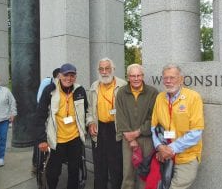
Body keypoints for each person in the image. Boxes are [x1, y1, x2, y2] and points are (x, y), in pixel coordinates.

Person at [151, 64, 204, 189]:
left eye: (172, 78)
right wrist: (159, 147)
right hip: (164, 156)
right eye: (165, 78)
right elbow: (153, 127)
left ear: (181, 79)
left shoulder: (193, 97)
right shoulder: (160, 97)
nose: (168, 81)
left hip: (186, 157)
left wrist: (170, 149)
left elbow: (196, 132)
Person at [36, 63, 88, 189]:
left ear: (75, 77)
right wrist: (42, 139)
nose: (68, 78)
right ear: (60, 75)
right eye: (66, 75)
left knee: (74, 170)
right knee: (53, 172)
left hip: (75, 138)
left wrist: (88, 126)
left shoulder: (80, 90)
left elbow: (86, 111)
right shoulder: (50, 90)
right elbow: (40, 116)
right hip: (56, 139)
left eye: (72, 75)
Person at [115, 64, 158, 189]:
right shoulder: (122, 92)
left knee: (145, 172)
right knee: (128, 172)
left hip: (147, 139)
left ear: (143, 76)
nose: (136, 78)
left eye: (138, 75)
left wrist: (139, 132)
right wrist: (131, 138)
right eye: (132, 76)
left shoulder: (152, 92)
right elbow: (120, 116)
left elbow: (154, 117)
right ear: (128, 77)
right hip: (127, 138)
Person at [86, 57, 127, 189]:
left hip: (115, 128)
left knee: (116, 165)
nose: (104, 72)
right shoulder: (94, 86)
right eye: (101, 69)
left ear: (113, 69)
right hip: (99, 128)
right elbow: (90, 109)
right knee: (99, 164)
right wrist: (90, 122)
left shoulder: (123, 85)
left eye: (107, 68)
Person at [32, 67, 61, 173]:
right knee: (40, 137)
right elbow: (40, 99)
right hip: (46, 112)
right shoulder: (47, 84)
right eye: (58, 77)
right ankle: (36, 163)